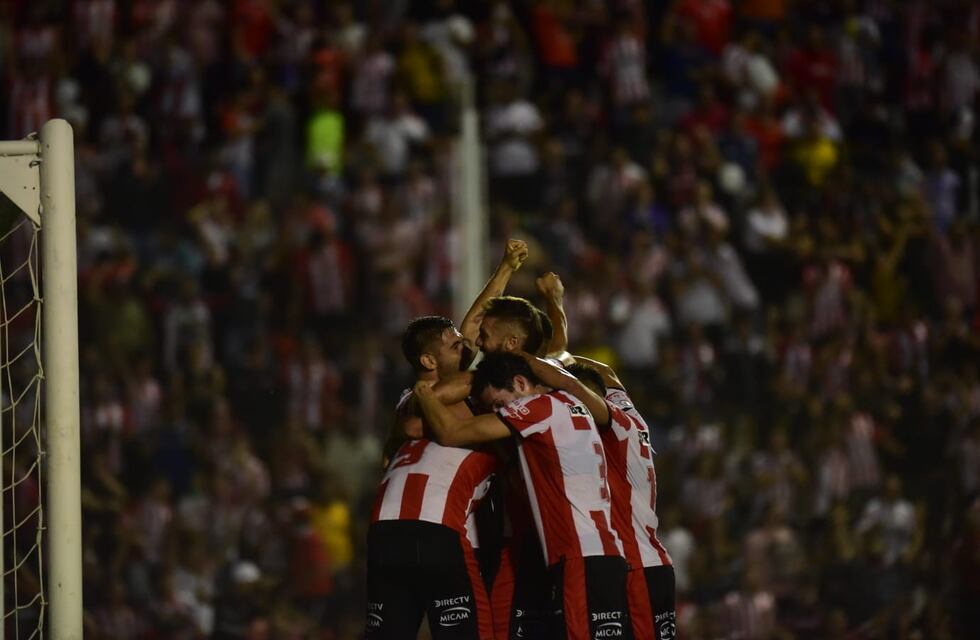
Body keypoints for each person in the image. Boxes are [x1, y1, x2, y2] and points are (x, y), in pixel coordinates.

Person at [414, 352, 633, 640]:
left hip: (578, 556)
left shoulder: (537, 408)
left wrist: (423, 393)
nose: (499, 413)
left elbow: (451, 432)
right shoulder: (573, 403)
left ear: (520, 383)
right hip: (607, 554)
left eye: (499, 404)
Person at [365, 316, 496, 639]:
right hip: (437, 530)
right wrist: (503, 366)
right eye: (456, 346)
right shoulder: (474, 403)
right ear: (428, 360)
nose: (467, 347)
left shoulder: (412, 402)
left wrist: (505, 270)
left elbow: (466, 331)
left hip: (383, 530)